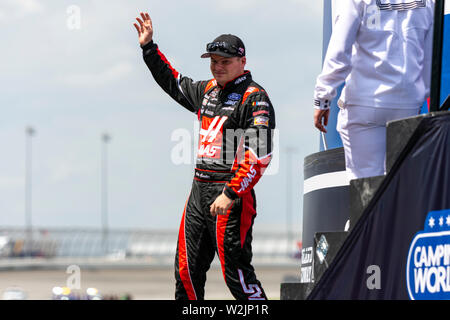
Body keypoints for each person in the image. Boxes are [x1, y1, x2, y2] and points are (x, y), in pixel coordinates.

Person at [133, 12, 275, 300]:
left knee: (235, 274)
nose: (217, 67)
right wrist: (148, 48)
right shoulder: (207, 90)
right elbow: (174, 83)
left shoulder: (255, 97)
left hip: (231, 194)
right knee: (186, 272)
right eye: (213, 61)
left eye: (224, 62)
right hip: (198, 192)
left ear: (242, 62)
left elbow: (259, 155)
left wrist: (231, 193)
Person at [313, 0, 434, 179]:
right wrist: (419, 95)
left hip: (365, 104)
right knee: (401, 185)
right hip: (408, 105)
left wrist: (322, 98)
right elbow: (429, 57)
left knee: (366, 189)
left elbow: (339, 51)